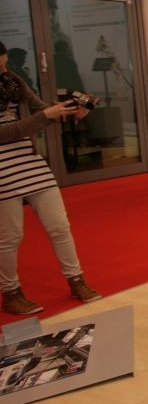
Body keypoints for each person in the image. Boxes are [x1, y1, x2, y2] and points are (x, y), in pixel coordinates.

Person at [0, 41, 101, 316]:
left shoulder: (12, 80)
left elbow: (41, 108)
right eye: (0, 65)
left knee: (59, 226)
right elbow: (11, 130)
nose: (5, 70)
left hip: (29, 162)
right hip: (3, 170)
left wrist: (71, 110)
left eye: (5, 63)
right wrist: (45, 116)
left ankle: (76, 280)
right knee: (10, 236)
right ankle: (11, 293)